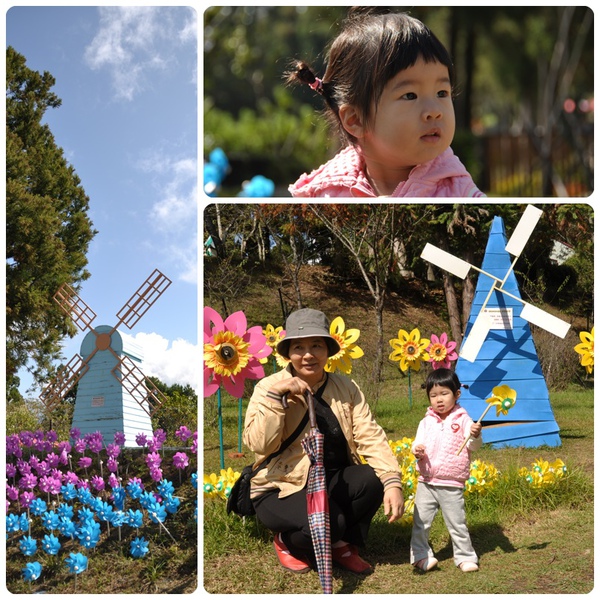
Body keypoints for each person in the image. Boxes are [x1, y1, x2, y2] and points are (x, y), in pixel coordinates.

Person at [243, 308, 404, 576]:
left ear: (328, 350)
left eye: (316, 345)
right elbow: (260, 445)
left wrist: (392, 480)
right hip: (281, 485)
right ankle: (287, 542)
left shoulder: (346, 387)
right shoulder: (268, 387)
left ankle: (340, 545)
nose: (308, 355)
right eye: (299, 347)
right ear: (288, 353)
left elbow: (369, 433)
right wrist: (276, 399)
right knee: (330, 522)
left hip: (329, 478)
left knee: (372, 480)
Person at [286, 8, 485, 198]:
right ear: (356, 119)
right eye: (410, 95)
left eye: (441, 92)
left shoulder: (459, 194)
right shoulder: (323, 193)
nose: (434, 111)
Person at [410, 368, 482, 573]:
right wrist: (417, 450)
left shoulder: (464, 420)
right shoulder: (426, 421)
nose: (439, 399)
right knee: (421, 523)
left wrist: (475, 435)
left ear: (457, 394)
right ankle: (420, 556)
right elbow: (417, 443)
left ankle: (465, 557)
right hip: (426, 481)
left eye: (444, 393)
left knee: (457, 523)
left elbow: (474, 446)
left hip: (451, 482)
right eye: (433, 395)